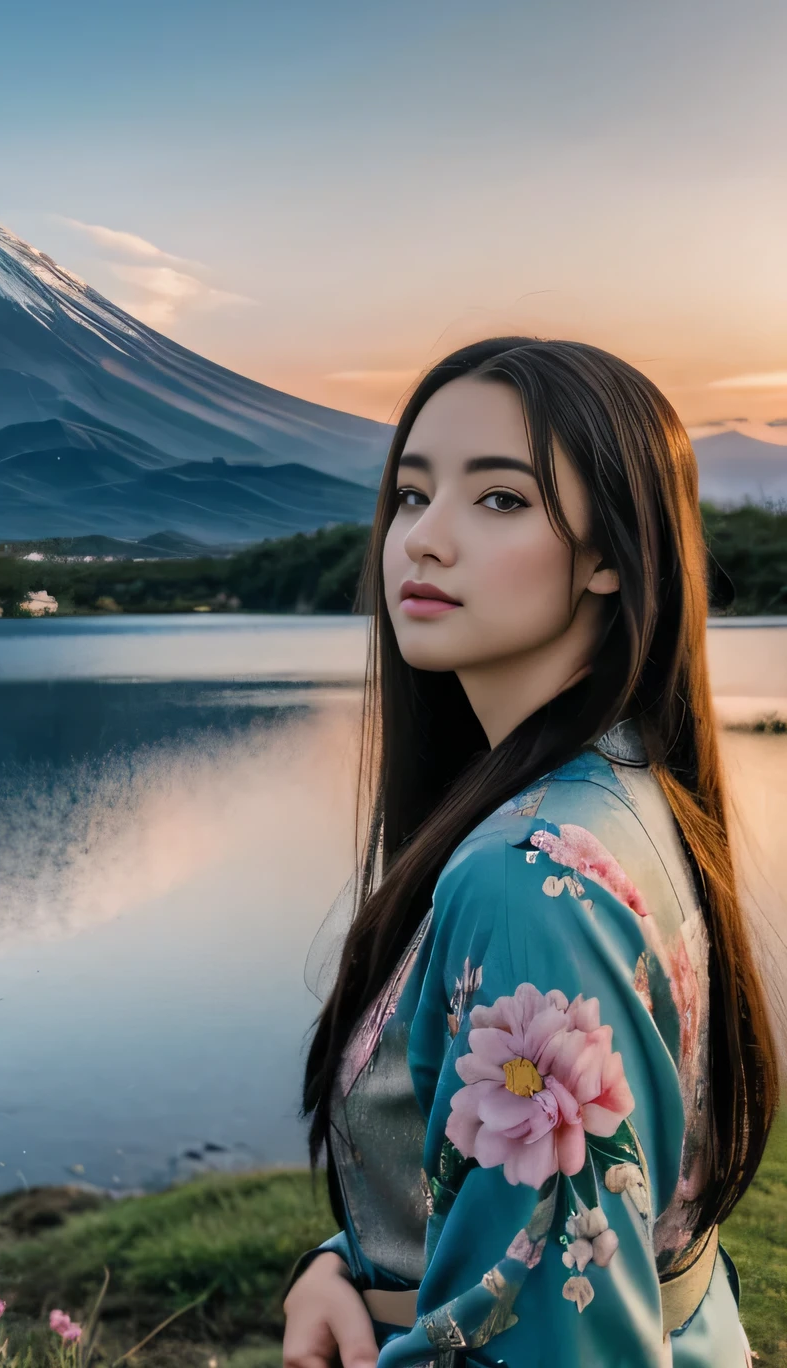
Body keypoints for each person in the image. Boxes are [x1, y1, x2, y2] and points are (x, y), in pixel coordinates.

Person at [282, 338, 779, 1368]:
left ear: (611, 554)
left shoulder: (528, 877)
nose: (423, 540)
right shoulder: (624, 794)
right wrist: (342, 1266)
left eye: (499, 500)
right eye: (412, 495)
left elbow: (555, 1328)